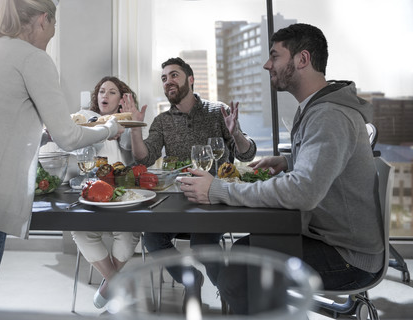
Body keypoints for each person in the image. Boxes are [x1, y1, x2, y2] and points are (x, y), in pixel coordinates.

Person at [177, 23, 384, 314]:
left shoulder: (329, 115)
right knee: (241, 257)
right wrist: (290, 161)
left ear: (302, 60)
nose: (266, 64)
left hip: (348, 256)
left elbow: (303, 192)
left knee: (239, 274)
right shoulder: (319, 107)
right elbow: (328, 162)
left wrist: (218, 189)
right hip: (331, 237)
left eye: (275, 56)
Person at [0, 0, 123, 306]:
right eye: (54, 27)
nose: (51, 34)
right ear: (43, 20)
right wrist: (110, 129)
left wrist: (39, 134)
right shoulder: (33, 58)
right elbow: (70, 136)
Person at [121, 57, 257, 306]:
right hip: (177, 199)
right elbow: (146, 156)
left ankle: (232, 295)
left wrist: (236, 133)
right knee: (152, 237)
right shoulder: (162, 121)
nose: (168, 81)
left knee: (201, 243)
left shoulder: (217, 111)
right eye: (164, 78)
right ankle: (191, 280)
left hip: (213, 198)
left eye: (174, 75)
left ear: (190, 80)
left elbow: (247, 154)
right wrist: (134, 128)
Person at [71, 76, 140, 308]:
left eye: (112, 92)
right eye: (102, 91)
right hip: (93, 195)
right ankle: (116, 282)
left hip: (124, 196)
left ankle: (109, 285)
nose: (104, 96)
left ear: (121, 99)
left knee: (129, 233)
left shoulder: (129, 125)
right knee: (80, 231)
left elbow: (134, 150)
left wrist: (128, 123)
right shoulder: (87, 120)